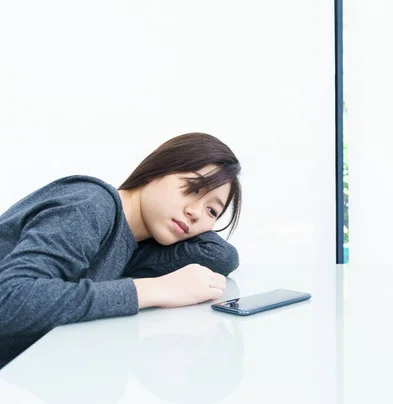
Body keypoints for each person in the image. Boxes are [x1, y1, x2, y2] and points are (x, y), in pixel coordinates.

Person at [0, 132, 242, 369]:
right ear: (157, 169)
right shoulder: (90, 204)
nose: (196, 212)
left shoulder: (134, 246)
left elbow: (220, 256)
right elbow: (9, 301)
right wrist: (156, 290)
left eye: (212, 211)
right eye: (192, 187)